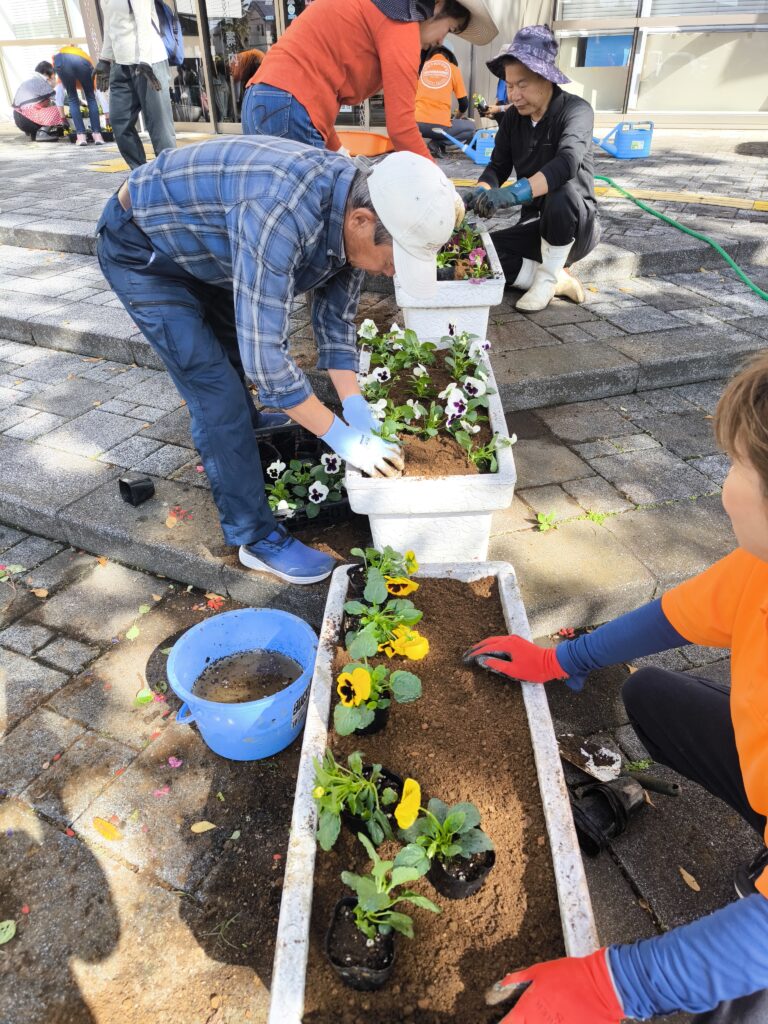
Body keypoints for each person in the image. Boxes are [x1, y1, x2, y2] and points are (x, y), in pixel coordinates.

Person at [465, 352, 768, 1023]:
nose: (723, 485)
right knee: (651, 699)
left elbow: (638, 982)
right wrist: (560, 662)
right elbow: (674, 615)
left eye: (738, 464)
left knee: (733, 1004)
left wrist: (623, 984)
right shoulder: (761, 565)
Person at [96, 138, 463, 584]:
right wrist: (340, 437)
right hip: (145, 250)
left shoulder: (352, 204)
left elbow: (335, 321)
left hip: (207, 246)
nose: (392, 272)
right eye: (394, 259)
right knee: (216, 390)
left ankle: (245, 438)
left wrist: (354, 407)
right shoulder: (281, 212)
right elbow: (267, 361)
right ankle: (255, 537)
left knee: (233, 349)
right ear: (362, 221)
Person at [241, 0, 497, 158]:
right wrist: (441, 188)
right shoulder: (403, 23)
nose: (442, 40)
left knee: (279, 212)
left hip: (262, 99)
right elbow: (402, 129)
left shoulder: (380, 6)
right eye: (449, 29)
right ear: (437, 5)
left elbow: (317, 85)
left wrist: (339, 152)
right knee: (309, 222)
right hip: (289, 107)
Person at [463, 25, 600, 313]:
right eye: (510, 85)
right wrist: (482, 191)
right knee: (480, 252)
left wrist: (512, 194)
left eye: (521, 85)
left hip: (574, 225)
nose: (513, 95)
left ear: (546, 78)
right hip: (535, 222)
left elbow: (567, 163)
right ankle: (554, 278)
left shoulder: (576, 111)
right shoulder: (513, 119)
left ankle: (547, 280)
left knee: (560, 191)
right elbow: (498, 166)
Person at [94, 0, 176, 169]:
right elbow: (110, 25)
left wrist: (145, 60)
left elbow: (144, 21)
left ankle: (170, 176)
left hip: (149, 62)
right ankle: (140, 174)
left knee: (159, 128)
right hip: (120, 63)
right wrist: (104, 59)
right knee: (119, 122)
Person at [415, 44, 475, 158]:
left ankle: (434, 144)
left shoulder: (421, 68)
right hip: (440, 126)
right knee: (470, 127)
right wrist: (457, 117)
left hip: (416, 125)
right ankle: (437, 143)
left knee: (442, 126)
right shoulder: (453, 68)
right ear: (449, 56)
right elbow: (464, 104)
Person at [53, 44, 105, 145]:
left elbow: (59, 94)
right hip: (82, 62)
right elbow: (99, 92)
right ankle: (97, 135)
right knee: (91, 98)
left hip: (61, 62)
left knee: (72, 98)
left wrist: (63, 117)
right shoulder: (84, 56)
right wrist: (107, 117)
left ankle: (81, 137)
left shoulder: (61, 56)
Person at [11, 61, 66, 141]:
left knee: (47, 103)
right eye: (53, 76)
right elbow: (60, 98)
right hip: (28, 119)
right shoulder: (41, 83)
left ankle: (35, 133)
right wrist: (81, 102)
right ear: (49, 74)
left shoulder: (29, 81)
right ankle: (42, 133)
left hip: (18, 119)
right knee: (58, 110)